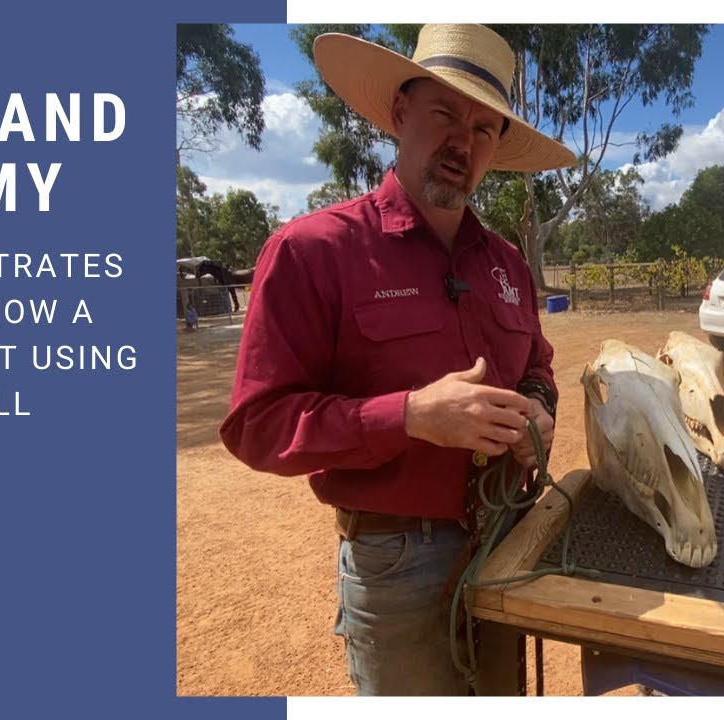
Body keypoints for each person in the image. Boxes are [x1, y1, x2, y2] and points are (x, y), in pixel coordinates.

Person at [218, 24, 575, 696]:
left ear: (496, 148)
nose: (462, 142)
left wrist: (539, 412)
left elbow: (539, 367)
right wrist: (410, 415)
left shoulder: (507, 267)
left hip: (506, 542)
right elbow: (257, 424)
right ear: (400, 112)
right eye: (444, 113)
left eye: (483, 128)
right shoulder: (313, 252)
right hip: (395, 562)